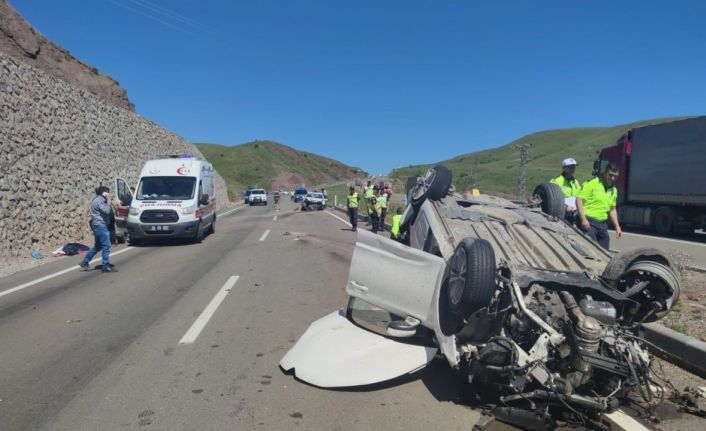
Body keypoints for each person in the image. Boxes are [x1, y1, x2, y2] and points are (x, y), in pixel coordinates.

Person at [576, 163, 623, 250]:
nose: (613, 178)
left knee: (604, 247)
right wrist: (583, 219)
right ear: (605, 173)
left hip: (602, 224)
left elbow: (612, 209)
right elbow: (579, 200)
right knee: (592, 247)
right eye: (610, 175)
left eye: (615, 176)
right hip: (589, 222)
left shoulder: (613, 190)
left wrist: (617, 226)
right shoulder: (592, 183)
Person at [79, 186, 117, 272]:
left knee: (98, 246)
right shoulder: (99, 201)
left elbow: (110, 209)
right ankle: (105, 265)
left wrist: (111, 202)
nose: (109, 194)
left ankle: (85, 262)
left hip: (100, 226)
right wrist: (108, 201)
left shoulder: (101, 200)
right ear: (104, 193)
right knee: (106, 245)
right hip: (100, 226)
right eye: (108, 192)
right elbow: (107, 211)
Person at [550, 158, 582, 223]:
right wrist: (565, 207)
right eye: (570, 167)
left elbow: (580, 196)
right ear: (564, 168)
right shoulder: (556, 181)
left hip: (575, 213)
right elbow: (553, 200)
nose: (572, 169)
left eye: (574, 167)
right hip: (562, 214)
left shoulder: (576, 182)